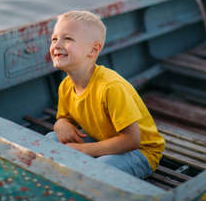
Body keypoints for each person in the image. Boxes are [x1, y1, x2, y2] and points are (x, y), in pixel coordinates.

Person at [45, 10, 165, 179]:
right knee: (50, 140)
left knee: (99, 170)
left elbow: (132, 140)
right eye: (54, 39)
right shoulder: (66, 85)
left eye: (68, 39)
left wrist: (85, 150)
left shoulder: (111, 87)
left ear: (93, 50)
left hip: (140, 152)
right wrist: (60, 124)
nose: (57, 44)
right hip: (100, 140)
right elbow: (64, 118)